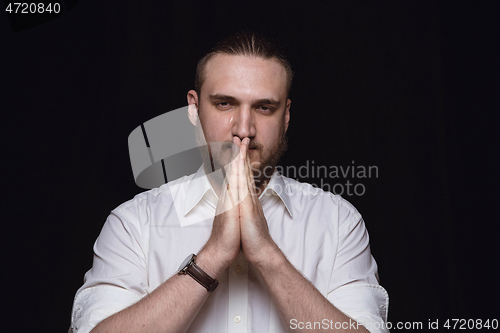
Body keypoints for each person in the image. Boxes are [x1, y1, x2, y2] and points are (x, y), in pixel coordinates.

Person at [70, 31, 389, 333]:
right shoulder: (133, 224)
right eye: (225, 104)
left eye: (264, 108)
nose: (244, 129)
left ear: (286, 116)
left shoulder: (338, 222)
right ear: (194, 109)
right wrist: (212, 256)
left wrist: (266, 254)